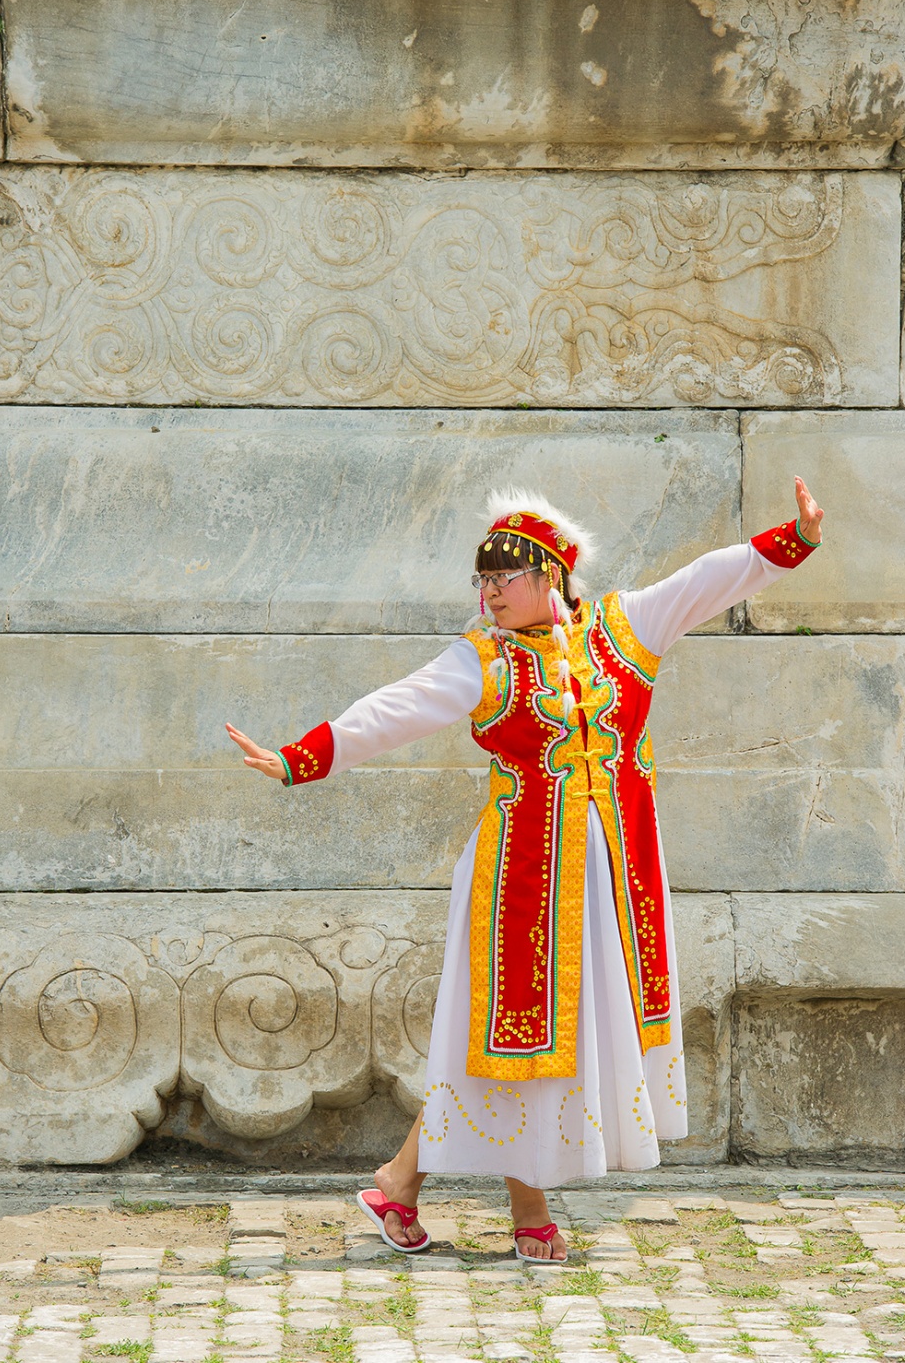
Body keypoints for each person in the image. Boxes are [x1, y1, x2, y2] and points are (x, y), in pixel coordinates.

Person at [227, 476, 823, 1263]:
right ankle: (521, 1214)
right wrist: (301, 758)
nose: (489, 593)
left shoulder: (625, 629)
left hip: (610, 874)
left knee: (550, 1041)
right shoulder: (484, 660)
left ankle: (401, 1185)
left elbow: (707, 579)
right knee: (521, 1038)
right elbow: (394, 707)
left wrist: (795, 538)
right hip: (521, 879)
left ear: (550, 577)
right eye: (481, 580)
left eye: (503, 578)